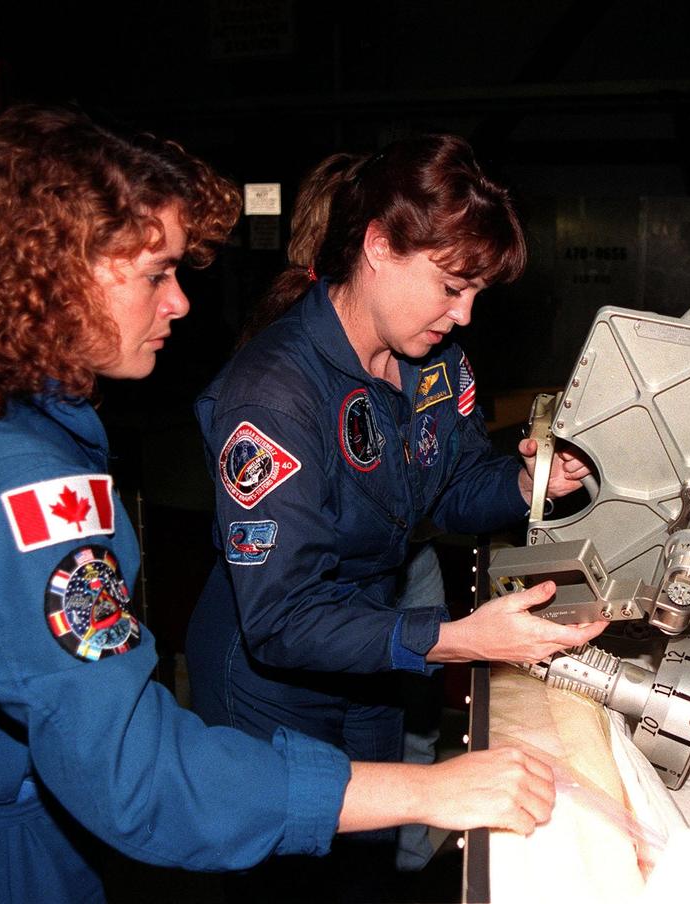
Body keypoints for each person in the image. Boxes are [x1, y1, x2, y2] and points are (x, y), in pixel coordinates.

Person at [0, 106, 564, 904]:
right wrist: (430, 790)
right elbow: (138, 773)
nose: (179, 303)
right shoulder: (23, 485)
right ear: (46, 271)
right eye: (155, 275)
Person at [185, 135, 606, 893]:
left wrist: (531, 480)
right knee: (289, 876)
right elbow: (280, 618)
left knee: (368, 871)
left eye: (476, 292)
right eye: (451, 286)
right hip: (270, 681)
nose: (465, 314)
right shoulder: (277, 393)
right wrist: (450, 640)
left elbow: (451, 487)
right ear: (379, 246)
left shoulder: (434, 363)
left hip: (371, 662)